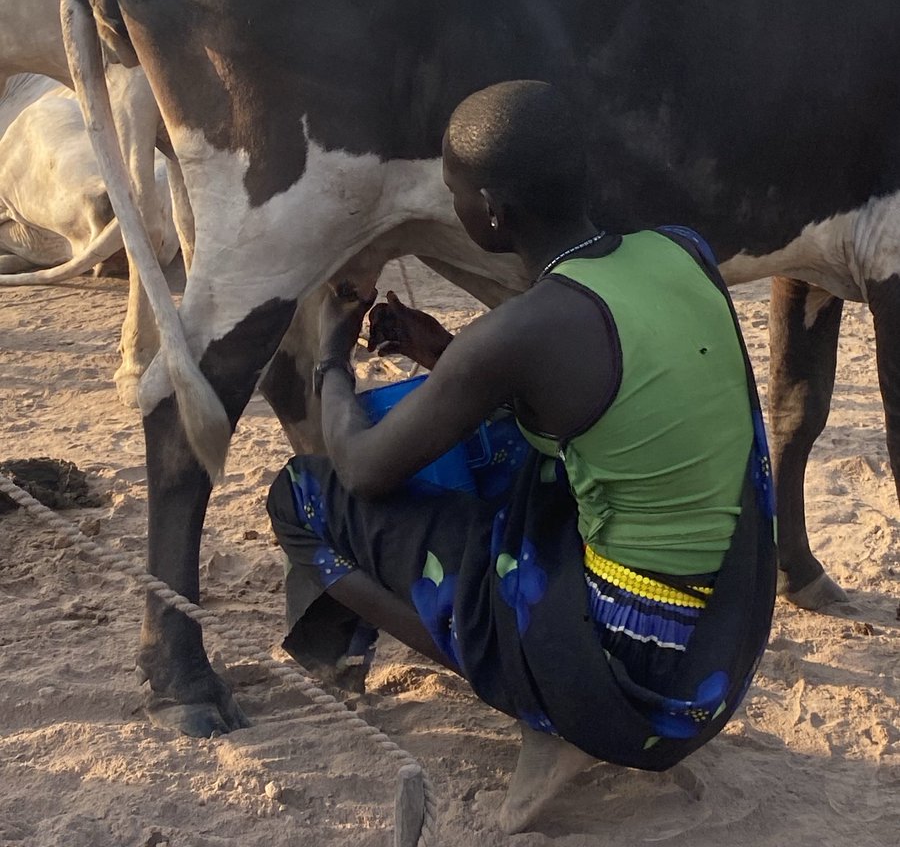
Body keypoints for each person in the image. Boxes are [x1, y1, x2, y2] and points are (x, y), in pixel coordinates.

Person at [267, 80, 776, 833]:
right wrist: (439, 349)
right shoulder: (681, 250)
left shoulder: (525, 331)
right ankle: (531, 652)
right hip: (724, 646)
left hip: (633, 690)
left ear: (494, 213)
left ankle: (528, 687)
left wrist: (330, 357)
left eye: (456, 193)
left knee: (306, 496)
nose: (454, 207)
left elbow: (365, 466)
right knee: (511, 442)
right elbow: (585, 388)